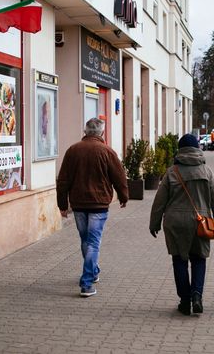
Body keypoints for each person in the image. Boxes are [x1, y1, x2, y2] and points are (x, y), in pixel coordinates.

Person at [149, 133, 214, 315]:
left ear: (180, 150)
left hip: (175, 223)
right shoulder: (206, 171)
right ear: (197, 149)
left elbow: (159, 201)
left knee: (179, 259)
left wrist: (154, 223)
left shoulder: (172, 171)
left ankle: (184, 300)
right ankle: (196, 296)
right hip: (200, 222)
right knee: (199, 259)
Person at [56, 118, 129, 297]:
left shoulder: (73, 151)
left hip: (79, 204)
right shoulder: (107, 151)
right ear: (102, 133)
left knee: (86, 241)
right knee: (93, 243)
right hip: (99, 204)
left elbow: (63, 180)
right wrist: (124, 196)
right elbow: (119, 176)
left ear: (85, 131)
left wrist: (62, 204)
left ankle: (93, 271)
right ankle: (87, 282)